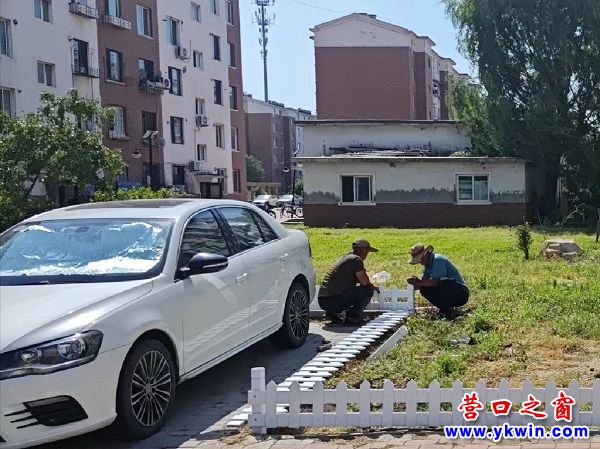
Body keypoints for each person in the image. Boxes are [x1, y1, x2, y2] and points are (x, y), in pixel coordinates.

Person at [318, 239, 380, 325]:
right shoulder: (356, 259)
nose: (367, 254)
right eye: (367, 251)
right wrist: (371, 286)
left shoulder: (347, 258)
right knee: (367, 290)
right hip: (333, 301)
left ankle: (332, 313)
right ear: (364, 249)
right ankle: (352, 317)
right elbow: (364, 282)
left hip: (323, 301)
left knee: (354, 290)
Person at [406, 243, 469, 319]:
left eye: (421, 260)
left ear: (426, 254)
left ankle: (446, 311)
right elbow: (424, 283)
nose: (421, 263)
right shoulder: (428, 265)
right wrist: (414, 283)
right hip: (454, 292)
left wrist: (419, 282)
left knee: (443, 282)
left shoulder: (437, 260)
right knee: (424, 289)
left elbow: (435, 282)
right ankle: (445, 310)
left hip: (461, 293)